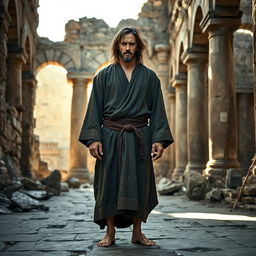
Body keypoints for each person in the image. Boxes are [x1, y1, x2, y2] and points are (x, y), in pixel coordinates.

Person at [79, 27, 173, 247]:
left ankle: (137, 233)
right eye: (124, 44)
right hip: (111, 136)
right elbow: (94, 109)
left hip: (140, 136)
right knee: (108, 183)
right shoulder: (103, 76)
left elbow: (158, 110)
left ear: (138, 46)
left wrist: (158, 139)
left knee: (140, 182)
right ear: (117, 46)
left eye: (131, 44)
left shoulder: (149, 77)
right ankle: (110, 233)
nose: (128, 48)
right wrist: (93, 138)